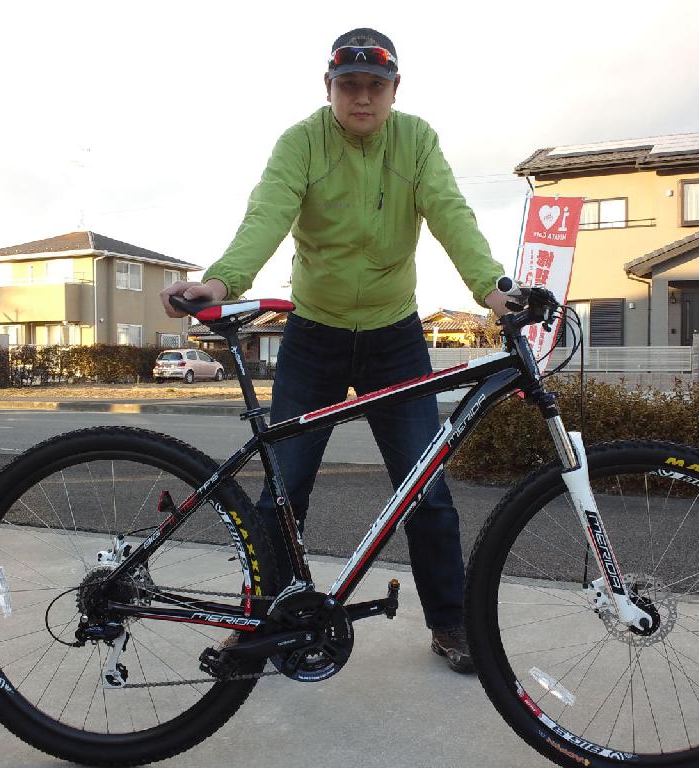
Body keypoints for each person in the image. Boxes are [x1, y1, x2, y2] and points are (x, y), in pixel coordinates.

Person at [161, 27, 509, 673]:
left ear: (395, 90)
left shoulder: (416, 140)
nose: (363, 97)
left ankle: (451, 623)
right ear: (328, 87)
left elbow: (449, 211)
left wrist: (492, 288)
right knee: (284, 491)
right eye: (349, 85)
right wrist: (222, 281)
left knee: (426, 491)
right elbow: (267, 212)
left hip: (394, 337)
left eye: (376, 85)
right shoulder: (302, 142)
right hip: (313, 335)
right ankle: (260, 622)